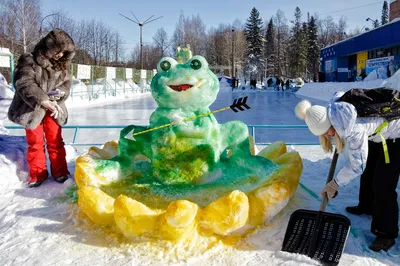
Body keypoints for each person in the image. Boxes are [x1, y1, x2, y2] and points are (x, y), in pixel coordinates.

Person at [295, 94, 400, 252]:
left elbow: (357, 165)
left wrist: (335, 184)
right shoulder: (334, 108)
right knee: (370, 171)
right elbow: (338, 94)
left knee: (383, 183)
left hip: (395, 133)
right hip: (377, 133)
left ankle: (386, 234)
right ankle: (367, 206)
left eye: (327, 132)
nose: (327, 136)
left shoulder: (354, 129)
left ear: (332, 122)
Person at [8, 28, 75, 188]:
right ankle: (38, 174)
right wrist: (43, 100)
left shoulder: (62, 66)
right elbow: (24, 83)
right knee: (35, 143)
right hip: (32, 108)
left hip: (54, 108)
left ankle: (60, 172)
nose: (60, 55)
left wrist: (59, 95)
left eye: (64, 52)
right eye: (58, 51)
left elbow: (66, 86)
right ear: (49, 47)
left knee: (55, 141)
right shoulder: (29, 60)